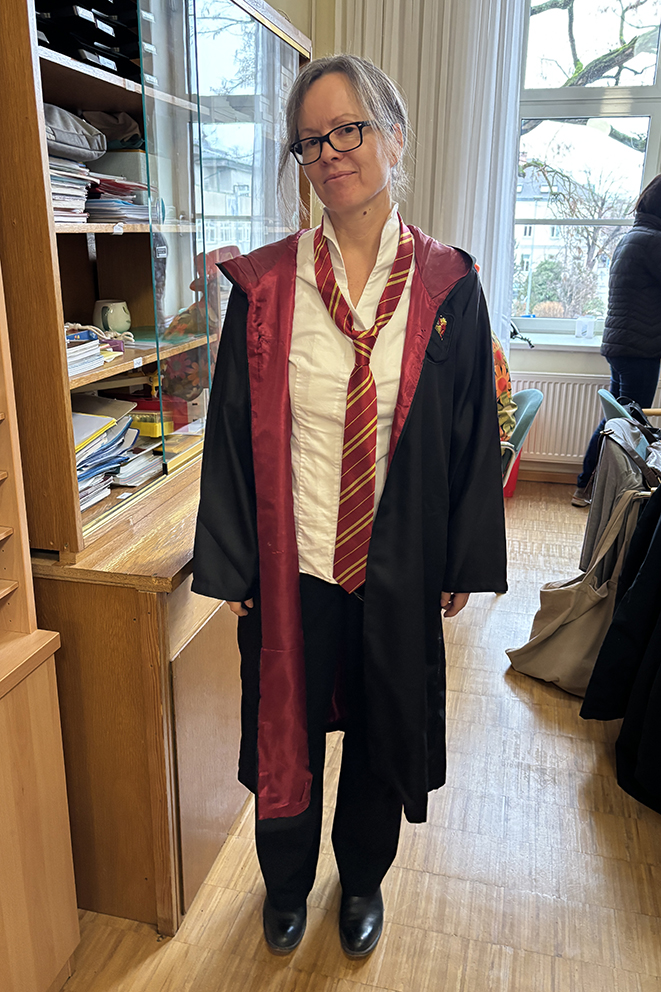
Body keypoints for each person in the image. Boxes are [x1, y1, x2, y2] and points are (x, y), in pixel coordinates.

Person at [192, 54, 507, 958]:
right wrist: (234, 561)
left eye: (348, 129)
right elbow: (230, 429)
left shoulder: (449, 285)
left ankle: (362, 877)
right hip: (292, 563)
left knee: (380, 723)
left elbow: (469, 430)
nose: (329, 153)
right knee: (284, 727)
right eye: (309, 141)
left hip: (394, 562)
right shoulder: (265, 288)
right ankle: (285, 883)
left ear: (392, 139)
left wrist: (459, 559)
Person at [572, 175, 661, 507]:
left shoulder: (633, 237)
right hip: (640, 350)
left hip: (623, 346)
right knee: (630, 425)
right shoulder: (653, 242)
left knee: (617, 420)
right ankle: (609, 494)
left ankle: (586, 486)